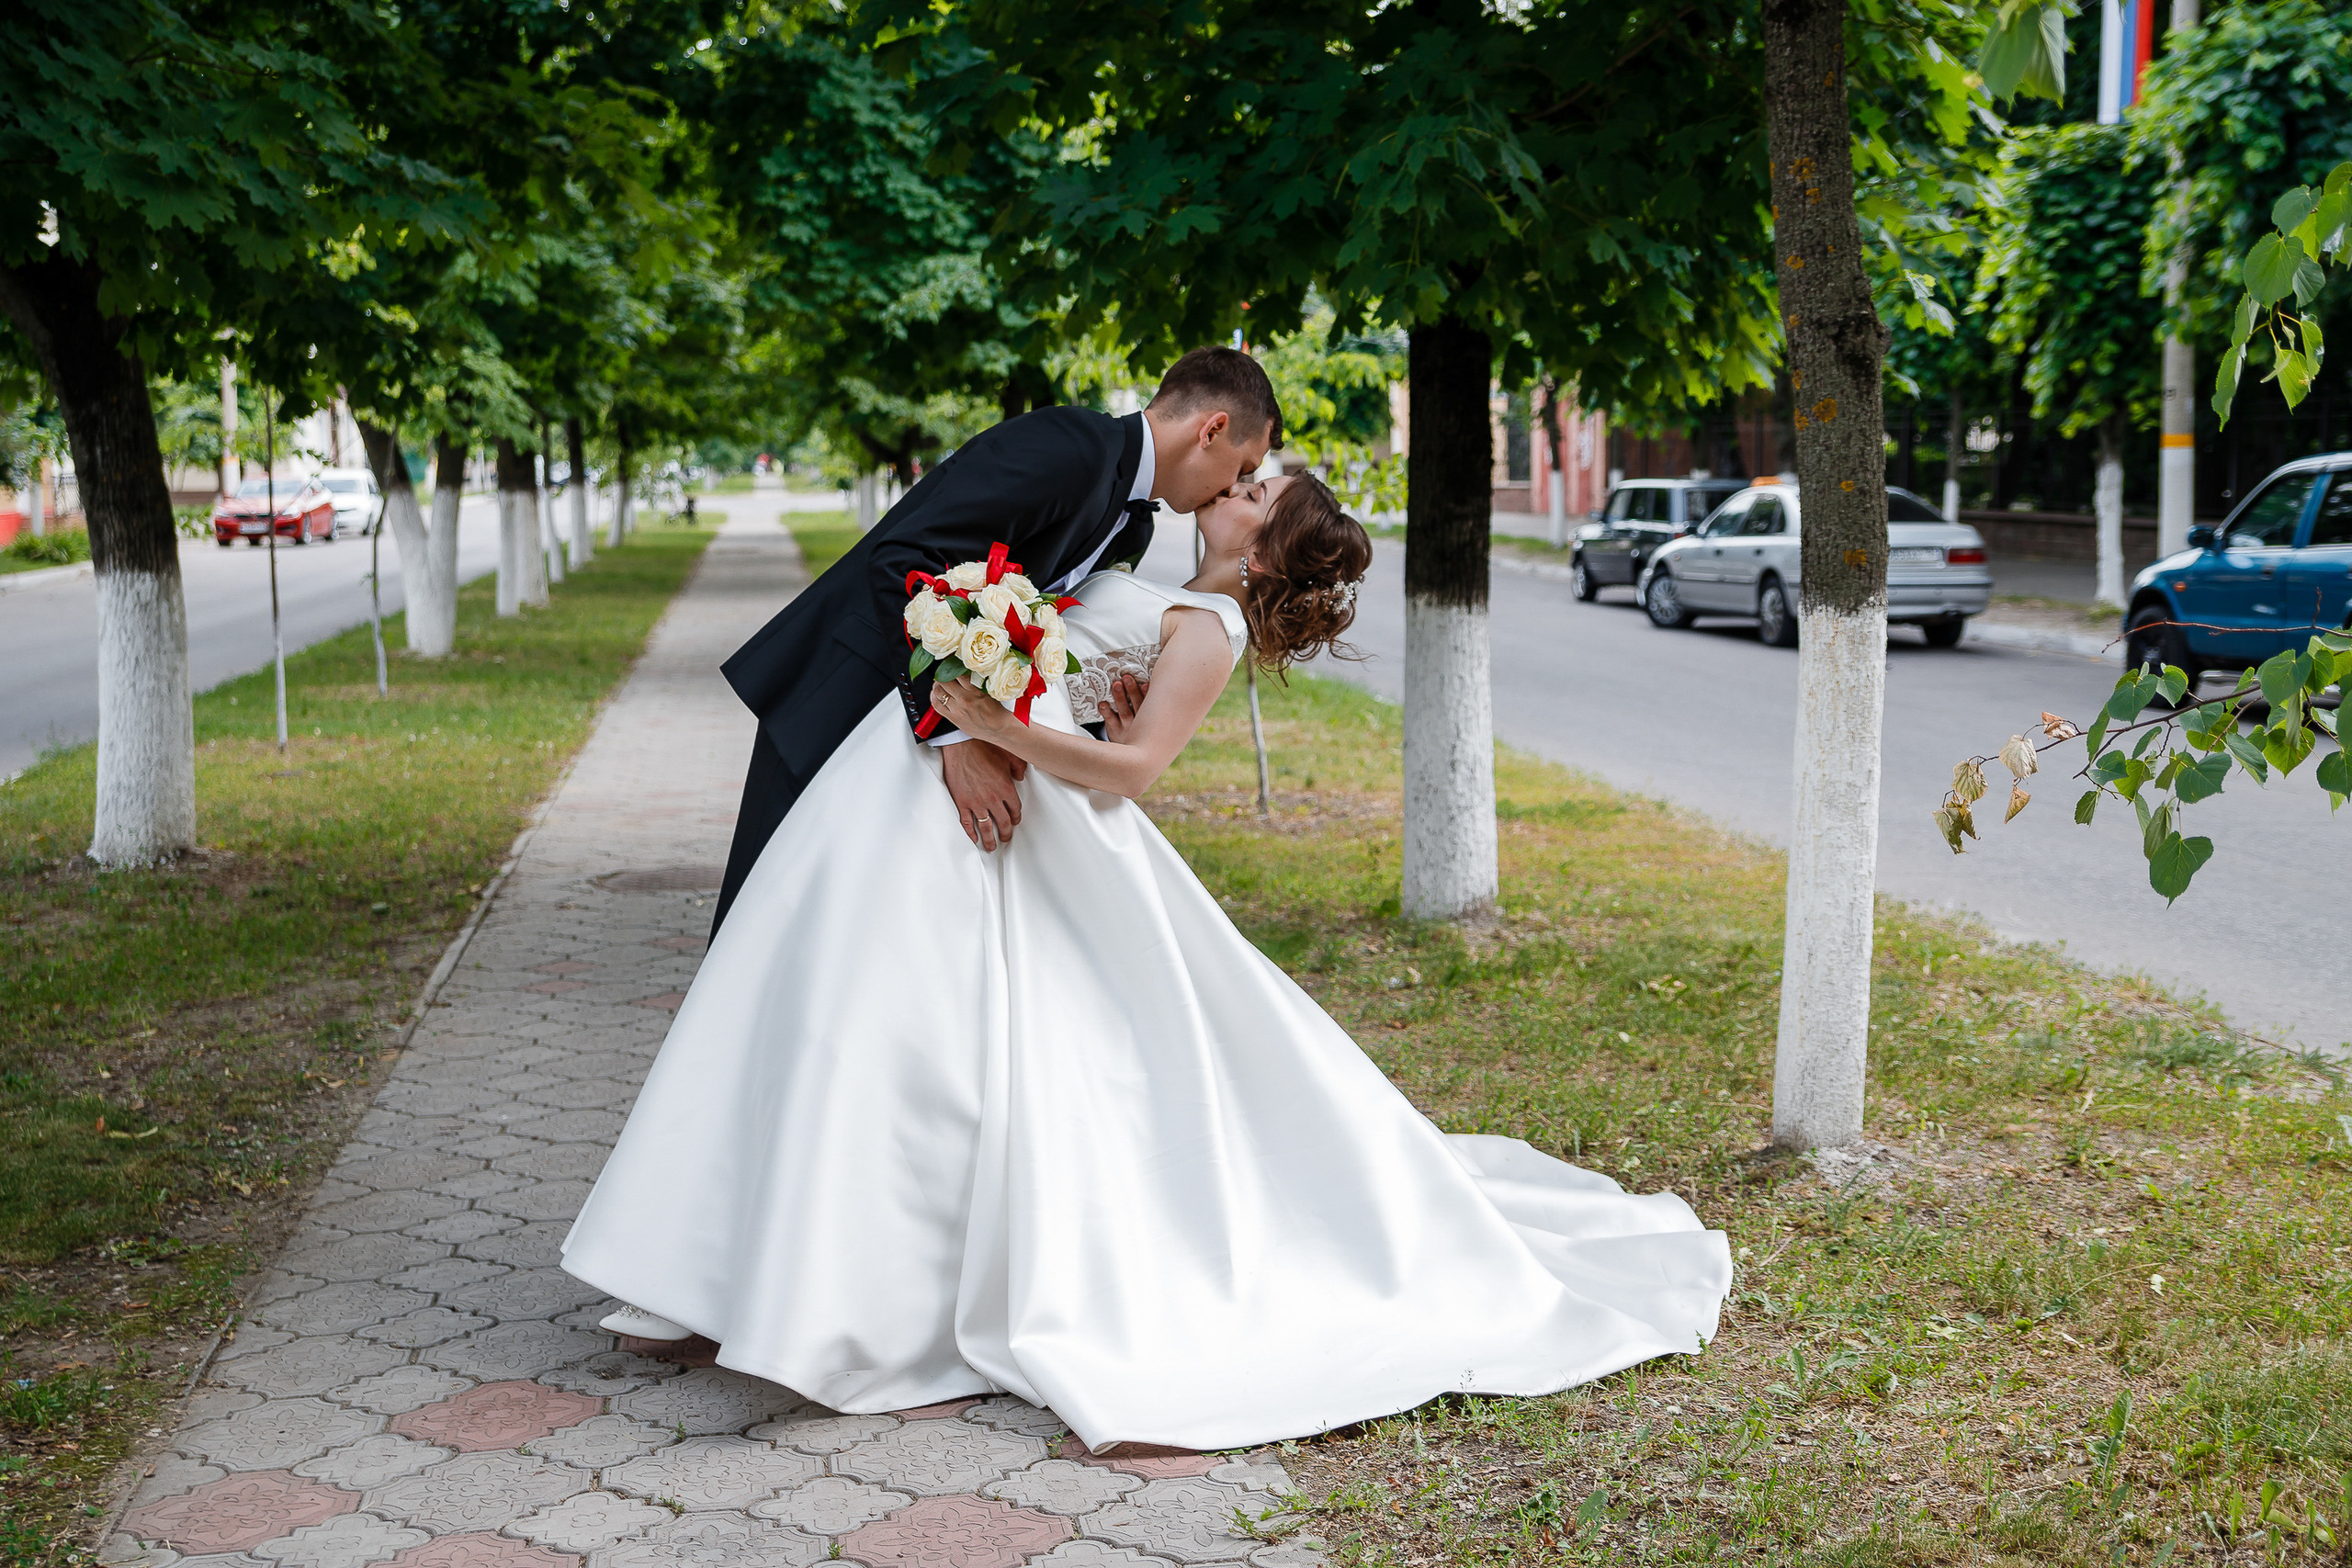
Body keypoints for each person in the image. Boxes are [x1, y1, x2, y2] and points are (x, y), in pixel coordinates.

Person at [562, 469, 1733, 1453]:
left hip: (1012, 806)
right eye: (1247, 475)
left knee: (917, 1049)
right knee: (857, 1026)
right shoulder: (1166, 588)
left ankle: (850, 1302)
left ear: (1263, 548)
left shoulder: (1211, 630)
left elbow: (1136, 772)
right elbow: (1089, 703)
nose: (1239, 485)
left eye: (1259, 491)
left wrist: (996, 728)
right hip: (957, 795)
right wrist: (1035, 698)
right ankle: (735, 1274)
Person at [708, 347, 1279, 933]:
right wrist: (958, 736)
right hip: (846, 694)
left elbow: (1046, 642)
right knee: (761, 923)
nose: (1233, 486)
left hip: (915, 755)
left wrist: (1101, 723)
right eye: (1243, 467)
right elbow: (904, 558)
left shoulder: (1134, 525)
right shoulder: (1070, 445)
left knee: (846, 930)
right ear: (1212, 429)